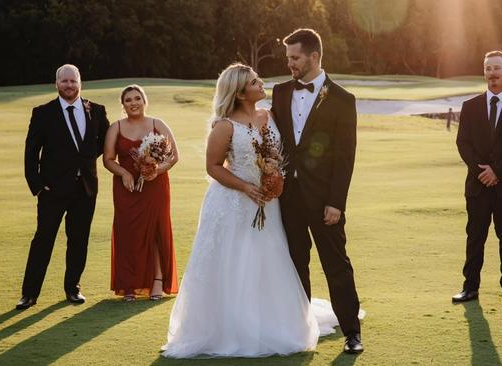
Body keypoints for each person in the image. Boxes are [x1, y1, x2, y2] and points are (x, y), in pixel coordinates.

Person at [161, 63, 342, 358]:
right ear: (241, 91)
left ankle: (270, 320)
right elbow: (213, 167)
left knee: (266, 259)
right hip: (233, 203)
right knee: (234, 261)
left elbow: (282, 152)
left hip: (268, 203)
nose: (261, 84)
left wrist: (273, 181)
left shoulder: (268, 115)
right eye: (255, 81)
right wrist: (245, 187)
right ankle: (231, 326)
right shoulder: (224, 126)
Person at [271, 28, 363, 353]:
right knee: (296, 265)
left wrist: (336, 202)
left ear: (314, 56)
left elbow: (345, 157)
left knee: (336, 265)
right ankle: (300, 331)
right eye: (288, 58)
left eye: (295, 58)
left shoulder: (342, 99)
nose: (290, 64)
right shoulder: (280, 92)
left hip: (326, 201)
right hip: (287, 197)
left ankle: (352, 332)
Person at [18, 64, 110, 309]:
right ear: (56, 84)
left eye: (73, 81)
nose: (69, 85)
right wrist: (37, 185)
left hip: (85, 189)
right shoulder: (43, 113)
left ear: (81, 83)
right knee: (43, 240)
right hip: (52, 190)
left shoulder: (97, 111)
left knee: (78, 240)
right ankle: (29, 294)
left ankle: (73, 288)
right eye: (64, 81)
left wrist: (86, 159)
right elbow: (31, 152)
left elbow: (104, 142)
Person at [453, 51, 502, 305]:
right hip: (477, 186)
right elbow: (463, 143)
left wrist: (497, 171)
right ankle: (470, 287)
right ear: (484, 72)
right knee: (475, 235)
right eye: (488, 68)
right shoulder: (470, 106)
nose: (492, 73)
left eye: (497, 68)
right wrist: (482, 173)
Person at [102, 85, 179, 301]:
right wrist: (124, 173)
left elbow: (173, 157)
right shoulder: (115, 127)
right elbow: (107, 159)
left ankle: (157, 280)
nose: (133, 103)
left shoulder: (158, 124)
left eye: (137, 98)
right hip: (127, 189)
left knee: (155, 232)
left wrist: (156, 171)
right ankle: (129, 284)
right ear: (123, 104)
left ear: (145, 101)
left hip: (155, 188)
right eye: (128, 100)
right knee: (128, 233)